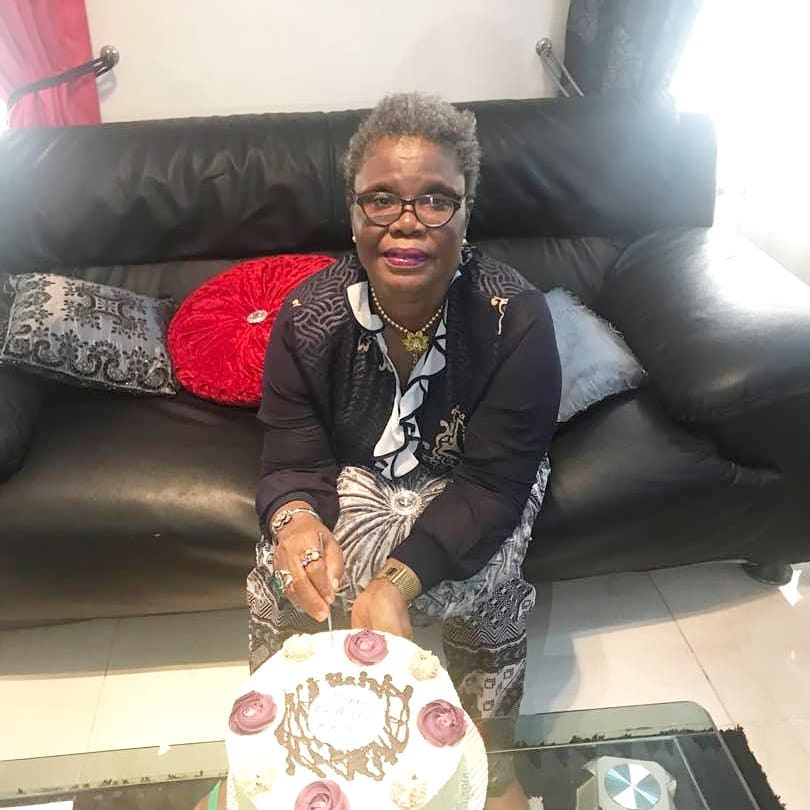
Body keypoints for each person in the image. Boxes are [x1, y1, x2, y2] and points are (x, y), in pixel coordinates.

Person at [248, 92, 561, 808]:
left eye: (436, 200)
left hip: (474, 478)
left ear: (467, 212)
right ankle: (288, 748)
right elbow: (292, 456)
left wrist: (396, 580)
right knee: (279, 576)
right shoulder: (307, 316)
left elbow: (494, 482)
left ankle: (491, 763)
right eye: (382, 199)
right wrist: (297, 521)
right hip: (359, 473)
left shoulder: (515, 318)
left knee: (485, 586)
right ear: (353, 213)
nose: (407, 223)